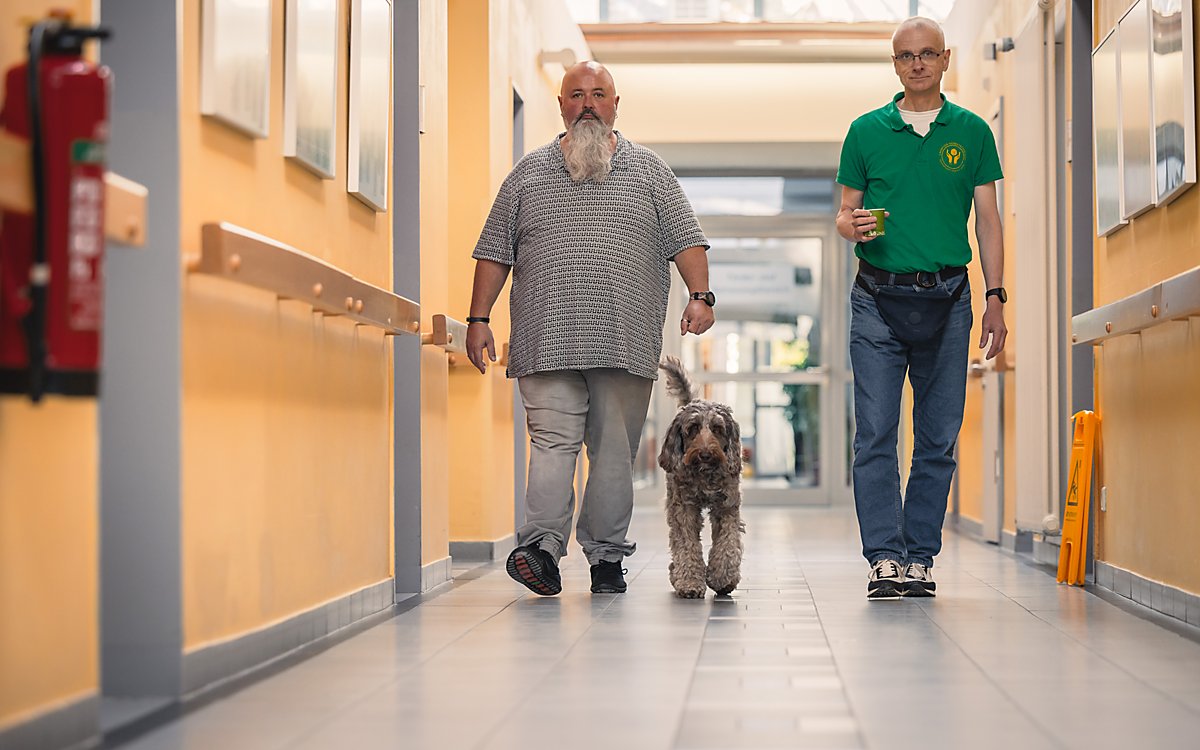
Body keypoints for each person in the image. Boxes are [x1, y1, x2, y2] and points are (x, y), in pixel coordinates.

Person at [466, 61, 714, 596]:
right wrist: (478, 318)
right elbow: (493, 252)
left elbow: (685, 238)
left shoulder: (650, 170)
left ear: (615, 103)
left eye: (598, 94)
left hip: (624, 339)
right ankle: (541, 551)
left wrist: (700, 295)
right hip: (544, 337)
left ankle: (605, 558)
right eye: (575, 94)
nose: (586, 104)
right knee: (552, 445)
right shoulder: (528, 174)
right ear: (560, 106)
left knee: (612, 455)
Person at [835, 17, 1007, 600]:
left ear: (945, 58)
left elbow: (988, 220)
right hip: (877, 300)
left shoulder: (972, 132)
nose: (917, 64)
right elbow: (844, 213)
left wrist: (995, 296)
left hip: (951, 299)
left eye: (927, 53)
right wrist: (849, 225)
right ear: (895, 63)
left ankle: (920, 558)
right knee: (877, 432)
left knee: (938, 437)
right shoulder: (865, 132)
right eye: (906, 56)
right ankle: (885, 556)